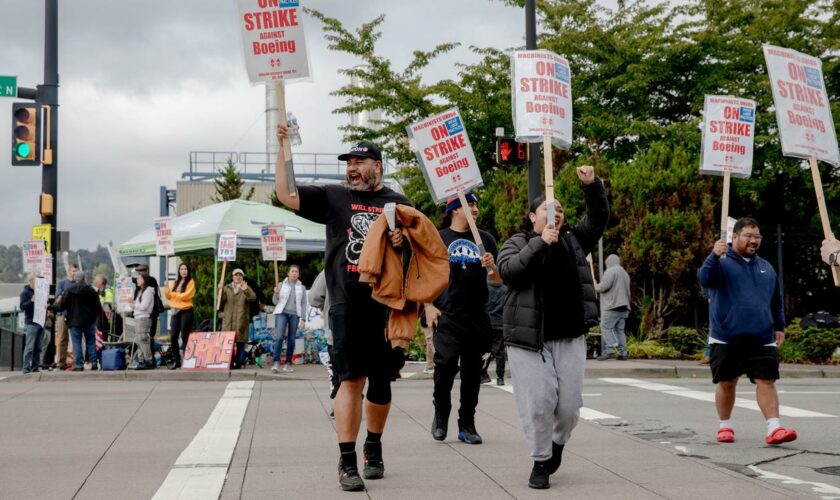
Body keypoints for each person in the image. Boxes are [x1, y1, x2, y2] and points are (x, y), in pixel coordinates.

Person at [274, 125, 410, 492]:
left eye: (359, 161)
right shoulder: (335, 197)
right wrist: (283, 146)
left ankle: (374, 446)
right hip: (345, 305)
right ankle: (347, 459)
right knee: (350, 379)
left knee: (381, 382)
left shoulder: (399, 203)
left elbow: (419, 253)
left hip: (385, 306)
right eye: (348, 162)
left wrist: (401, 241)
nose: (351, 167)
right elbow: (286, 194)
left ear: (377, 166)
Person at [497, 166, 608, 489]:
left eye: (559, 209)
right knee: (539, 402)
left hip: (570, 334)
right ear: (532, 218)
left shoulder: (574, 240)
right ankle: (541, 459)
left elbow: (599, 218)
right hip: (529, 339)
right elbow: (509, 272)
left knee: (570, 406)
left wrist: (591, 186)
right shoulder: (517, 242)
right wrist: (539, 243)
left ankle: (557, 444)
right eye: (547, 209)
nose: (555, 213)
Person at [698, 217, 796, 446]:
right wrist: (713, 255)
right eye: (748, 236)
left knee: (767, 380)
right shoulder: (721, 263)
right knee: (727, 382)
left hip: (762, 336)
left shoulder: (766, 267)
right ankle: (725, 426)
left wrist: (779, 326)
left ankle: (774, 427)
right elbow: (704, 279)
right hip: (726, 337)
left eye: (757, 237)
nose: (754, 241)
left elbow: (776, 299)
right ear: (734, 237)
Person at [424, 192, 500, 445]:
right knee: (444, 368)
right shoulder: (438, 237)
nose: (475, 209)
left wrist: (493, 266)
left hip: (477, 315)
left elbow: (499, 279)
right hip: (448, 314)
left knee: (472, 373)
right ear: (455, 209)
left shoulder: (485, 239)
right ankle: (440, 415)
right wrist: (428, 305)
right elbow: (422, 274)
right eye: (469, 204)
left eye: (476, 204)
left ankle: (467, 423)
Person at [51, 271, 102, 372]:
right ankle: (94, 362)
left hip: (74, 321)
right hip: (89, 321)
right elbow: (98, 307)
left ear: (75, 279)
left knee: (76, 343)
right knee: (91, 342)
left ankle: (79, 364)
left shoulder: (69, 290)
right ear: (84, 278)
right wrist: (93, 317)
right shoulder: (91, 290)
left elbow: (62, 306)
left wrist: (50, 307)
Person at [272, 264, 308, 373]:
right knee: (280, 337)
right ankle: (276, 362)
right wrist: (276, 294)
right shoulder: (281, 284)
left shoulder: (301, 287)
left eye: (296, 271)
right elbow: (275, 302)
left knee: (291, 339)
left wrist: (303, 318)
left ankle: (288, 363)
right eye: (292, 271)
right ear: (288, 273)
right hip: (282, 313)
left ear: (298, 274)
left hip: (294, 314)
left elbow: (304, 303)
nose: (294, 273)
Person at [595, 254, 631, 360]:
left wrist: (594, 286)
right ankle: (623, 353)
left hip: (612, 306)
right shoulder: (625, 273)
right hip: (624, 306)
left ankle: (609, 350)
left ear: (609, 262)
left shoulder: (610, 271)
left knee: (605, 328)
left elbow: (604, 286)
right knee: (620, 331)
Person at [219, 268, 257, 369]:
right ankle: (229, 362)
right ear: (232, 277)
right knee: (228, 343)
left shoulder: (246, 288)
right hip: (228, 321)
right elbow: (219, 301)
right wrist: (220, 290)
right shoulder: (227, 288)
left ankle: (239, 362)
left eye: (240, 275)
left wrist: (246, 290)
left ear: (242, 277)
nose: (238, 277)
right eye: (236, 275)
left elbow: (253, 298)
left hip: (241, 320)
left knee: (240, 342)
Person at [164, 262, 196, 367]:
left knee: (185, 336)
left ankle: (188, 359)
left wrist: (174, 295)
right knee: (173, 336)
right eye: (182, 269)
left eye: (185, 269)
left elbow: (187, 295)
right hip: (175, 311)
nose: (183, 271)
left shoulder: (191, 282)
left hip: (186, 310)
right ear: (179, 271)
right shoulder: (175, 282)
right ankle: (176, 359)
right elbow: (168, 296)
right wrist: (166, 288)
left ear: (188, 271)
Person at [482, 277, 507, 385]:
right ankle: (500, 377)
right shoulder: (505, 290)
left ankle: (483, 374)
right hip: (501, 324)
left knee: (484, 351)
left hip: (487, 323)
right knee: (499, 352)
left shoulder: (485, 288)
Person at [54, 263, 79, 369]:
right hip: (63, 314)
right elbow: (57, 299)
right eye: (73, 271)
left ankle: (77, 362)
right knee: (62, 339)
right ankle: (61, 362)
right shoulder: (62, 283)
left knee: (76, 339)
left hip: (75, 315)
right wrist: (64, 294)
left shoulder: (79, 284)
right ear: (69, 272)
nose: (75, 273)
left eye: (77, 271)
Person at [20, 275, 45, 374]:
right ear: (31, 282)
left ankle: (35, 367)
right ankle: (26, 367)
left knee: (38, 347)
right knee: (29, 346)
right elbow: (22, 306)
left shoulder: (40, 292)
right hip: (31, 322)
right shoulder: (25, 293)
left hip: (40, 321)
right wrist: (31, 301)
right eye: (36, 282)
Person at [130, 272, 156, 369]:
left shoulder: (148, 292)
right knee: (139, 340)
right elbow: (139, 306)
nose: (137, 280)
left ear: (144, 280)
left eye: (139, 278)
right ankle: (142, 360)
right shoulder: (141, 291)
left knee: (142, 339)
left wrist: (134, 305)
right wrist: (133, 303)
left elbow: (144, 306)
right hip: (138, 317)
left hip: (144, 318)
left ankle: (148, 360)